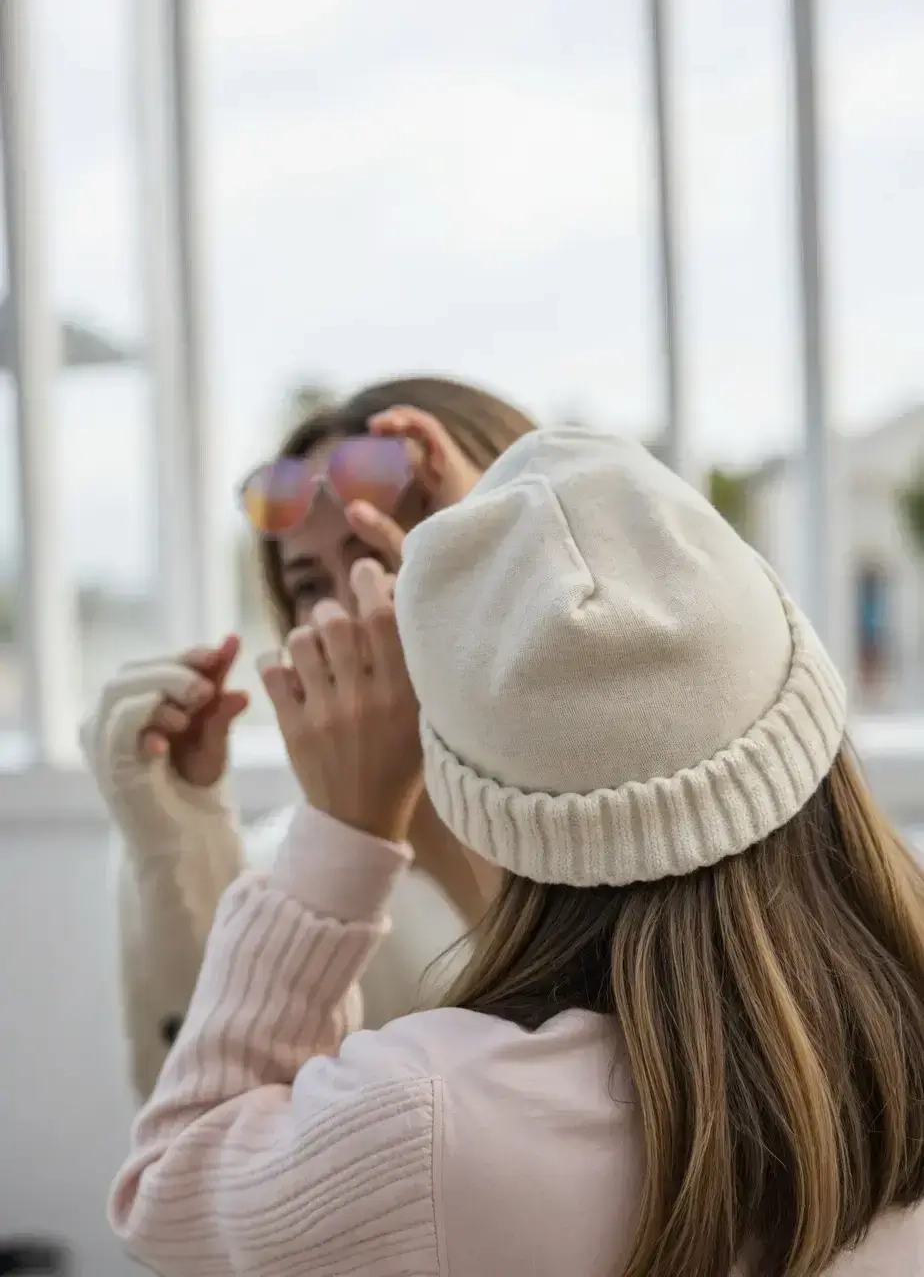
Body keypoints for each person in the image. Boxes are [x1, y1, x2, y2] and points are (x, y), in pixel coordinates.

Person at [95, 427, 924, 1277]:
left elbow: (173, 1196)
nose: (363, 622)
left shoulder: (427, 1115)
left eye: (406, 574)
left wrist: (340, 838)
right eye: (311, 584)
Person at [81, 376, 535, 1100]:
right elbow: (200, 1141)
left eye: (381, 557)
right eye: (308, 586)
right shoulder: (273, 880)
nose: (344, 615)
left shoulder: (645, 820)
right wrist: (178, 852)